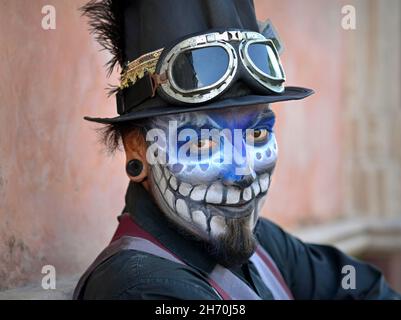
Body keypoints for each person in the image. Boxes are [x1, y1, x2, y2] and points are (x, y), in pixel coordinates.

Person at [74, 0, 400, 300]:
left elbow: (367, 290)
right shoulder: (140, 289)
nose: (242, 172)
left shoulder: (259, 242)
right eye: (201, 142)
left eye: (257, 133)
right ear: (137, 151)